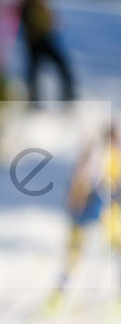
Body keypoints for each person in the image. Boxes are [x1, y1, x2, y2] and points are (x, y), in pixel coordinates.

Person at [47, 124, 121, 313]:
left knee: (84, 252)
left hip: (101, 211)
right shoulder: (103, 158)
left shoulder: (97, 157)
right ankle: (59, 294)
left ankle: (59, 293)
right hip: (99, 210)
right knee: (76, 253)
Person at [19, 0, 76, 104]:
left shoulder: (42, 4)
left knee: (61, 66)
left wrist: (52, 24)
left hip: (47, 41)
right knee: (33, 73)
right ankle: (33, 99)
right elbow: (32, 25)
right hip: (36, 44)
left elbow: (52, 22)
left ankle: (69, 94)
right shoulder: (27, 5)